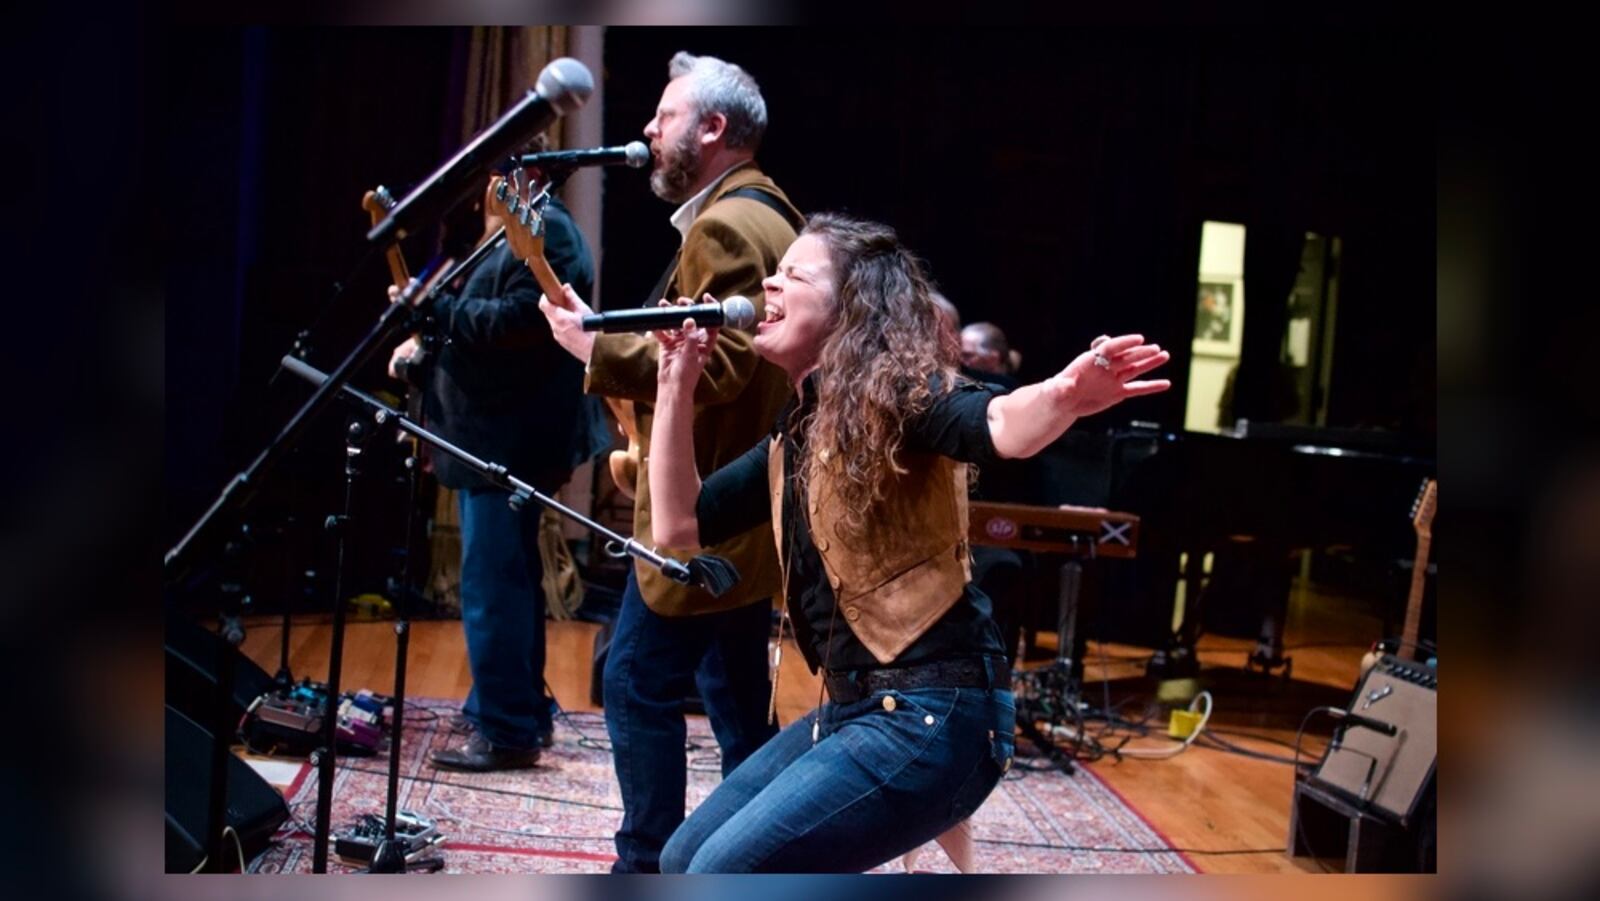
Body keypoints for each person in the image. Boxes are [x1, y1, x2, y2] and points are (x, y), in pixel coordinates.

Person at [646, 213, 1170, 872]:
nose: (767, 287)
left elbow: (1001, 422)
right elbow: (678, 526)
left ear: (848, 310)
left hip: (939, 714)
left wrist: (1065, 394)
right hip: (856, 709)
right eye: (771, 275)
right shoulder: (795, 438)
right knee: (681, 860)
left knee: (720, 873)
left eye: (792, 276)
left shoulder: (901, 399)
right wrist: (674, 379)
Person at [538, 51, 799, 872]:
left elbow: (716, 369)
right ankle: (759, 850)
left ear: (714, 128)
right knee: (733, 703)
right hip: (748, 516)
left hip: (699, 522)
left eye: (666, 115)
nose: (648, 130)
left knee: (634, 682)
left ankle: (644, 860)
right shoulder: (770, 213)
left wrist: (595, 345)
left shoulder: (725, 226)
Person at [386, 171, 605, 772]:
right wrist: (428, 340)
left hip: (507, 444)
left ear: (521, 177)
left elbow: (519, 323)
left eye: (495, 172)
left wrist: (437, 310)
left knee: (494, 589)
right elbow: (481, 323)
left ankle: (507, 728)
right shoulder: (516, 230)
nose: (485, 185)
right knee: (506, 583)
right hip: (494, 438)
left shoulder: (548, 234)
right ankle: (515, 713)